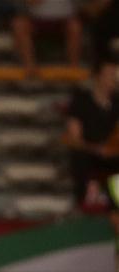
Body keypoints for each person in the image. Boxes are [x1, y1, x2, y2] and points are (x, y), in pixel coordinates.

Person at [66, 58, 119, 209]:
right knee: (79, 157)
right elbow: (74, 138)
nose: (113, 78)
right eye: (109, 74)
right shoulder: (81, 101)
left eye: (115, 74)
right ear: (97, 77)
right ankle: (86, 200)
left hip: (114, 152)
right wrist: (97, 149)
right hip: (89, 152)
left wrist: (113, 148)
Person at [11, 0, 82, 76]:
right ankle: (30, 67)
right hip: (36, 19)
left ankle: (74, 67)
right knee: (19, 24)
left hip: (64, 20)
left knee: (75, 27)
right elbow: (31, 2)